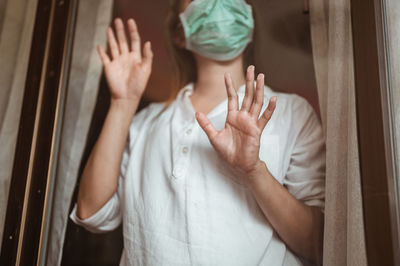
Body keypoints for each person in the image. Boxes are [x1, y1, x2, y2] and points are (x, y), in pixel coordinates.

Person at [70, 0, 326, 265]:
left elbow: (318, 244)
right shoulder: (145, 124)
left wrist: (254, 171)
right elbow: (92, 212)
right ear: (180, 34)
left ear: (249, 17)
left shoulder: (291, 113)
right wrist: (122, 105)